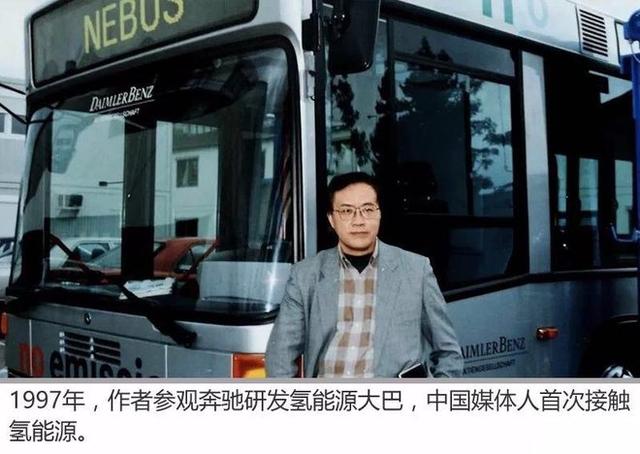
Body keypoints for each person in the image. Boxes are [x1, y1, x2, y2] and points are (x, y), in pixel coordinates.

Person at [266, 172, 463, 377]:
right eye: (346, 211)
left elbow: (448, 352)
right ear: (332, 219)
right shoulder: (305, 274)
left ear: (379, 214)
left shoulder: (416, 270)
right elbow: (280, 355)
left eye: (368, 209)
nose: (358, 221)